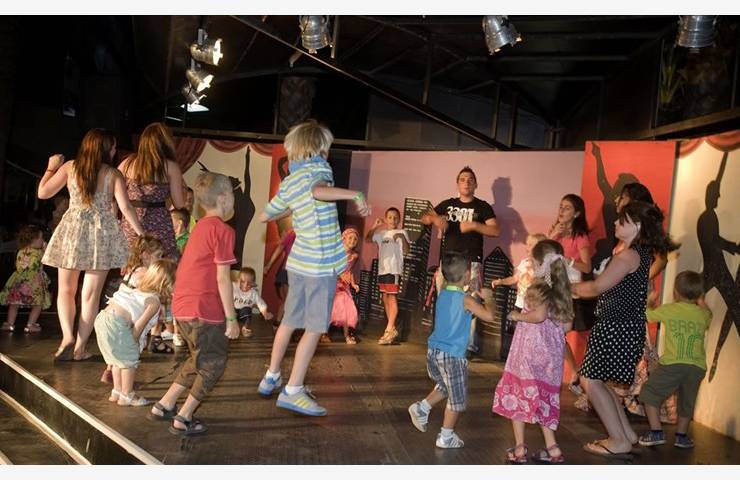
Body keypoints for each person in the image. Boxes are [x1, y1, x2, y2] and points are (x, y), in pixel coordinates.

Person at [256, 119, 370, 416]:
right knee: (316, 327)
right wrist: (354, 194)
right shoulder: (319, 169)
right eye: (326, 147)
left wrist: (296, 204)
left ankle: (271, 376)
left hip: (298, 264)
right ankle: (292, 390)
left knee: (289, 321)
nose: (327, 153)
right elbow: (319, 191)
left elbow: (265, 215)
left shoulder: (291, 180)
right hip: (319, 266)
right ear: (318, 148)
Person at [573, 201, 675, 457]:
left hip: (615, 327)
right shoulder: (638, 254)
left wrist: (566, 288)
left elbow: (596, 287)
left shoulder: (628, 256)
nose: (616, 223)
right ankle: (625, 434)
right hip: (623, 327)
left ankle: (618, 440)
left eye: (623, 221)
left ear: (637, 226)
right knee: (598, 380)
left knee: (590, 380)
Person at [38, 128, 145, 361]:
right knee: (90, 296)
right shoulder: (113, 174)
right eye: (113, 146)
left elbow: (43, 192)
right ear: (105, 149)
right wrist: (142, 234)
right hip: (101, 234)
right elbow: (126, 208)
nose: (115, 150)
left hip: (73, 230)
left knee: (66, 290)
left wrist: (51, 167)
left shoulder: (70, 167)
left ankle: (67, 337)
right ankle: (80, 348)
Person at [147, 172, 240, 436]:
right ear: (223, 198)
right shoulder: (223, 230)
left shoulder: (199, 227)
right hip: (204, 310)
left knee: (197, 358)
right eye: (233, 195)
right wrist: (231, 318)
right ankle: (184, 417)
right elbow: (223, 278)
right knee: (213, 364)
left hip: (183, 307)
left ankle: (164, 404)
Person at [492, 239, 574, 464]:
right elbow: (567, 326)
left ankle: (520, 448)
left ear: (540, 264)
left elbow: (538, 316)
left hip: (528, 353)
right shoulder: (564, 291)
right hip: (551, 358)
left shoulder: (538, 288)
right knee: (544, 399)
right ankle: (552, 448)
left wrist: (517, 315)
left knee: (519, 395)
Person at [407, 251, 493, 448]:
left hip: (434, 352)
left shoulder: (444, 294)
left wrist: (471, 294)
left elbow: (460, 311)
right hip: (452, 356)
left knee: (446, 386)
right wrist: (489, 298)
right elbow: (489, 316)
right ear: (467, 275)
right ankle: (446, 437)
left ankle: (422, 408)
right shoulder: (466, 300)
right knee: (457, 398)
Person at [421, 166, 499, 355]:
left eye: (470, 179)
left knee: (471, 301)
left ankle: (467, 344)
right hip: (448, 263)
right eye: (462, 179)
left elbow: (495, 230)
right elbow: (424, 217)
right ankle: (444, 337)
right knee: (446, 300)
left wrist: (474, 225)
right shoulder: (447, 204)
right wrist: (434, 220)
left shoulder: (482, 206)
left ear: (476, 184)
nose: (466, 182)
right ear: (457, 183)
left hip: (471, 262)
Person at [638, 270, 712, 449]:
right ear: (699, 294)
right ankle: (681, 436)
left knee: (649, 392)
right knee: (687, 401)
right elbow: (709, 315)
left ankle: (656, 432)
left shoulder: (669, 310)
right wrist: (702, 301)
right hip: (697, 367)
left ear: (676, 292)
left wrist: (649, 301)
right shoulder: (702, 314)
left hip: (673, 364)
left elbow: (646, 315)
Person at [95, 259, 176, 407]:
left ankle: (117, 391)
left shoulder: (137, 289)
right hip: (117, 323)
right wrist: (134, 344)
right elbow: (139, 326)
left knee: (117, 360)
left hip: (103, 318)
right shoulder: (154, 301)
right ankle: (127, 395)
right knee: (129, 361)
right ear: (167, 284)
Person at [100, 235, 167, 384]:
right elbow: (152, 297)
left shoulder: (133, 269)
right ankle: (125, 388)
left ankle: (111, 373)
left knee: (116, 350)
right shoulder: (146, 274)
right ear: (145, 255)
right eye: (158, 256)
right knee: (128, 352)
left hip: (112, 313)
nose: (160, 260)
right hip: (126, 318)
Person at [547, 193, 593, 393]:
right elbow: (540, 255)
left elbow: (587, 266)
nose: (561, 211)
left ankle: (578, 373)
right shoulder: (556, 231)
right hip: (553, 287)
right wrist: (553, 236)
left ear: (577, 214)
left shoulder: (580, 237)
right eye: (560, 206)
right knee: (554, 332)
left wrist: (570, 260)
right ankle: (574, 371)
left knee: (558, 333)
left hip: (570, 291)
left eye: (567, 208)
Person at [118, 122, 185, 260]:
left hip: (131, 222)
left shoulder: (127, 163)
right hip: (159, 223)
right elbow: (179, 204)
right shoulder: (170, 167)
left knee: (132, 262)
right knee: (162, 264)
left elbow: (112, 194)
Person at [365, 207, 410, 345]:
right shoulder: (382, 234)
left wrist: (402, 237)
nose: (392, 220)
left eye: (395, 217)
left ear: (399, 219)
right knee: (385, 297)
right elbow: (368, 239)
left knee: (392, 297)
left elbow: (406, 251)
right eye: (390, 217)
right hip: (382, 270)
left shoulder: (401, 232)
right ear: (386, 219)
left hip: (393, 269)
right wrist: (375, 226)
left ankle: (389, 329)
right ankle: (392, 329)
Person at [0, 225, 51, 333]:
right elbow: (47, 260)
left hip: (19, 281)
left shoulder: (20, 251)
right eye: (41, 238)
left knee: (14, 303)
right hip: (34, 283)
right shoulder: (39, 252)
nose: (43, 240)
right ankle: (30, 325)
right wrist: (46, 249)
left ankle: (10, 324)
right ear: (33, 239)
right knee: (38, 304)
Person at [491, 233, 547, 311]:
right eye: (526, 244)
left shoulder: (543, 266)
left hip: (533, 306)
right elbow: (514, 278)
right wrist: (501, 281)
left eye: (530, 245)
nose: (527, 247)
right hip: (520, 304)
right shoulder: (524, 262)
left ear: (540, 248)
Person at [330, 227, 362, 344]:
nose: (352, 241)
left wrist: (353, 284)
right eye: (350, 238)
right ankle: (321, 334)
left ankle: (347, 336)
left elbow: (349, 271)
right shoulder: (337, 253)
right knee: (331, 309)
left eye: (355, 239)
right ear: (343, 239)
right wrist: (339, 274)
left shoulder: (354, 256)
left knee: (348, 308)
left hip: (344, 286)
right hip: (332, 283)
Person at [263, 227, 296, 325]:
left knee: (289, 300)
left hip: (300, 273)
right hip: (288, 271)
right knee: (288, 299)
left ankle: (280, 323)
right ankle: (280, 323)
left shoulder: (310, 234)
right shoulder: (292, 233)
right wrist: (268, 265)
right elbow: (280, 247)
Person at [234, 266, 274, 338]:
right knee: (227, 310)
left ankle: (245, 328)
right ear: (238, 280)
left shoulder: (253, 293)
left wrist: (265, 313)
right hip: (233, 311)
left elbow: (260, 303)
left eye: (249, 283)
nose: (245, 285)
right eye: (242, 281)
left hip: (244, 313)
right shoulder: (234, 287)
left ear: (253, 283)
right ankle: (229, 326)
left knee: (248, 310)